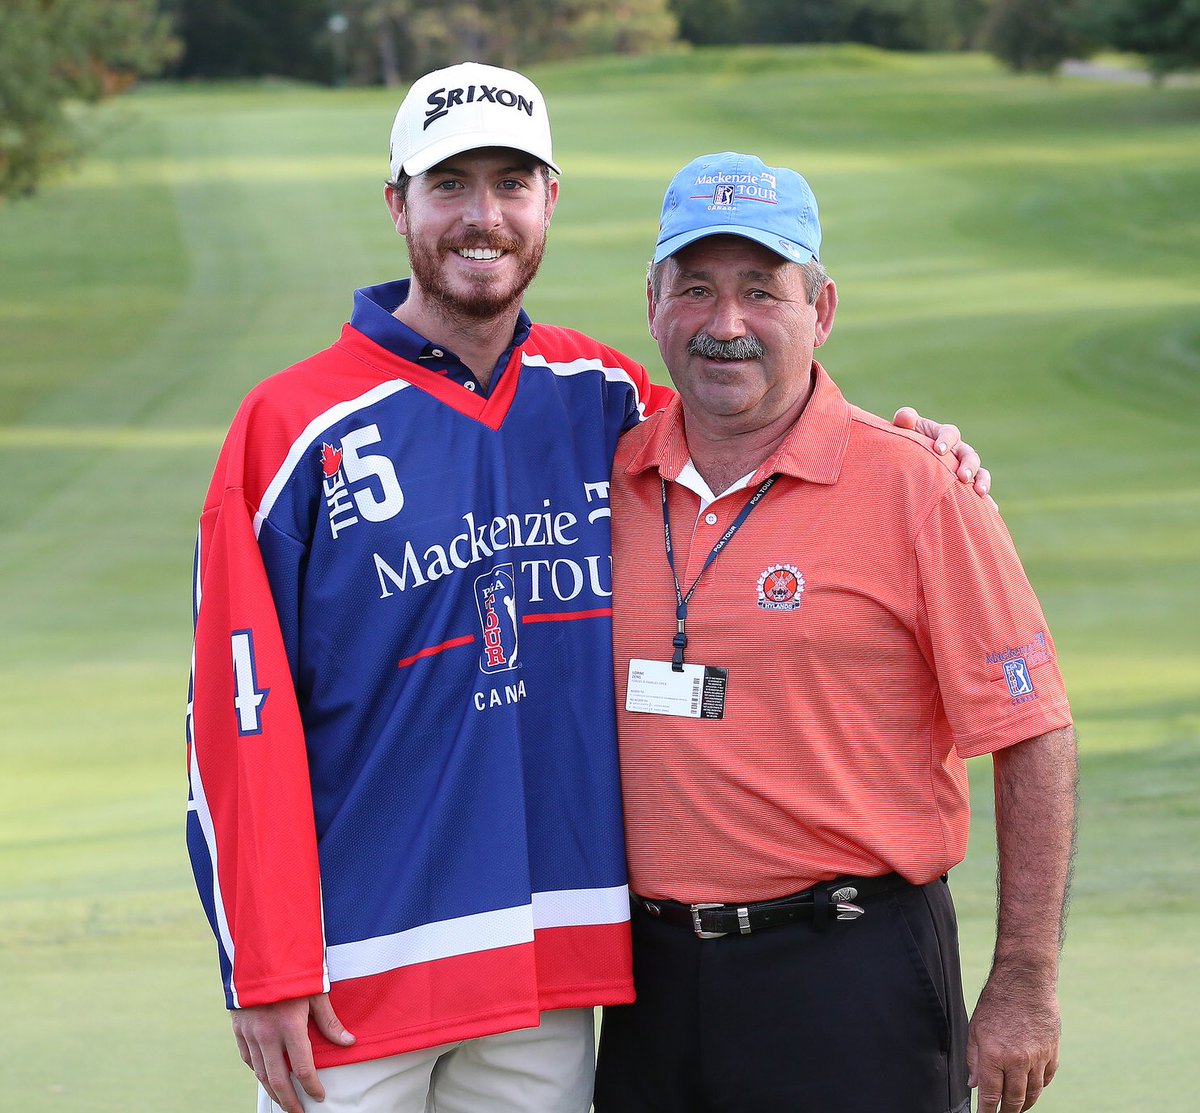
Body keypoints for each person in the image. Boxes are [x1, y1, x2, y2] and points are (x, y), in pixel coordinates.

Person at [186, 65, 989, 1113]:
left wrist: (919, 451)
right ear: (398, 205)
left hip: (551, 972)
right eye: (450, 185)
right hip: (357, 975)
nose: (484, 216)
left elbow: (753, 408)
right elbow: (234, 724)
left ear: (549, 202)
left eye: (512, 184)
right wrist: (268, 963)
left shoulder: (603, 395)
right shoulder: (288, 430)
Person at [597, 152, 1077, 1113]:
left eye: (761, 291)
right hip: (646, 984)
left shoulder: (918, 485)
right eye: (695, 289)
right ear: (652, 305)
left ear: (820, 310)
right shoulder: (603, 473)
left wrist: (1024, 978)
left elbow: (1031, 730)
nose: (724, 324)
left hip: (851, 973)